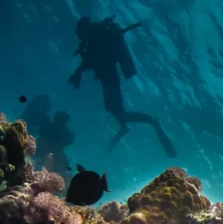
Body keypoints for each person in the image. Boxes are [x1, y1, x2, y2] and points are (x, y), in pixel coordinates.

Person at [69, 16, 177, 157]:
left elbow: (93, 61)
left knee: (118, 111)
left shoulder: (97, 40)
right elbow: (91, 61)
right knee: (113, 108)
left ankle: (150, 120)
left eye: (79, 32)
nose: (78, 35)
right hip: (107, 78)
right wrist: (78, 72)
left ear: (84, 29)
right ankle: (124, 126)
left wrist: (79, 71)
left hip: (110, 79)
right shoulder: (93, 40)